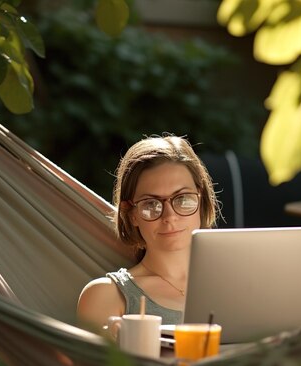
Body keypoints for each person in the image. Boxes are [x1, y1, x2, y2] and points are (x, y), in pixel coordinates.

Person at [77, 135, 218, 332]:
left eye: (182, 198)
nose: (169, 216)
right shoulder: (107, 295)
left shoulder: (236, 285)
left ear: (201, 200)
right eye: (151, 204)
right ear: (131, 214)